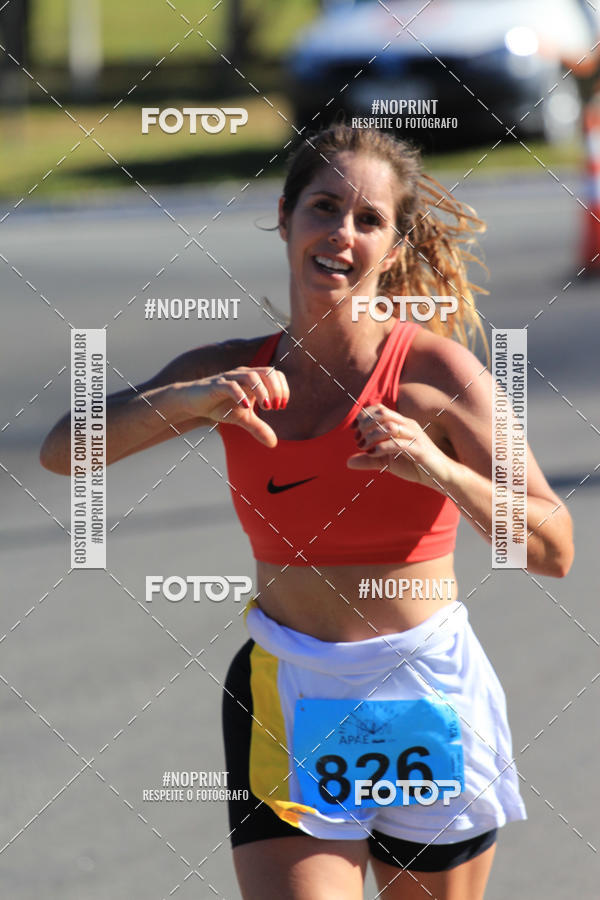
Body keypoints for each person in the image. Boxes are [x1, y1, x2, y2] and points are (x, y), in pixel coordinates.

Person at [41, 125, 574, 900]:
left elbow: (553, 545)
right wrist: (188, 403)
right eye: (325, 208)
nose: (342, 235)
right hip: (286, 687)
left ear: (393, 248)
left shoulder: (434, 373)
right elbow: (65, 451)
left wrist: (437, 466)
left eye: (369, 221)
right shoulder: (226, 372)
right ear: (286, 217)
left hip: (422, 690)